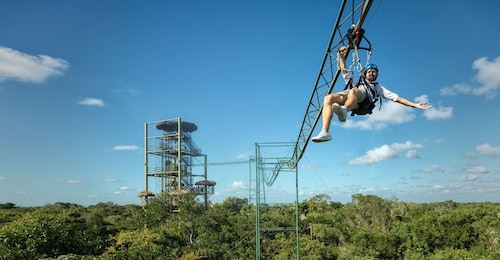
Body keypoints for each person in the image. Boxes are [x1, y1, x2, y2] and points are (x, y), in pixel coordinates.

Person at [312, 47, 432, 142]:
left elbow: (398, 99)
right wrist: (341, 56)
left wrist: (415, 105)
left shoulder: (378, 88)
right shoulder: (356, 82)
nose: (371, 73)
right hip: (352, 96)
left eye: (374, 72)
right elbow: (344, 70)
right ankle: (325, 132)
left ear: (376, 75)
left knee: (354, 90)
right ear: (365, 73)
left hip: (363, 102)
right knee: (328, 98)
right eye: (369, 71)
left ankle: (344, 110)